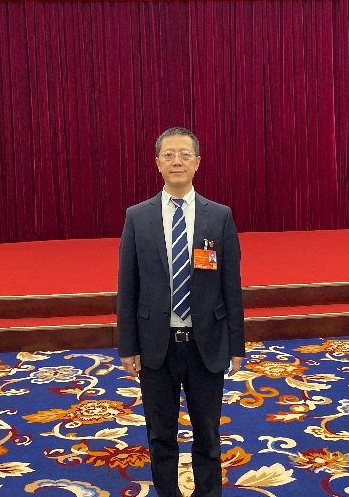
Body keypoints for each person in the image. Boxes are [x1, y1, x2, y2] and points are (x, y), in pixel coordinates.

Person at [117, 126, 245, 497]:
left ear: (197, 162)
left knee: (208, 433)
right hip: (156, 346)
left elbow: (231, 286)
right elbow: (128, 287)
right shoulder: (137, 217)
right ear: (157, 163)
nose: (177, 161)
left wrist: (236, 345)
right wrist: (128, 346)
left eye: (185, 154)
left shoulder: (218, 216)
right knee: (160, 435)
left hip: (206, 344)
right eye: (169, 154)